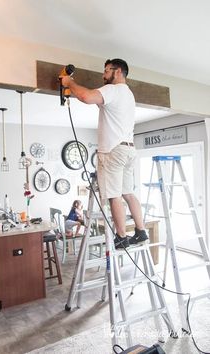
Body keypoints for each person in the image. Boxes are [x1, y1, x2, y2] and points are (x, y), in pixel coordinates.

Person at [61, 58, 148, 249]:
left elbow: (85, 97)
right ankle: (141, 231)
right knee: (128, 193)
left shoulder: (113, 90)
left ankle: (122, 236)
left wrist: (69, 83)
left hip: (113, 151)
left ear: (118, 72)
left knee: (113, 195)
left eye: (107, 71)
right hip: (128, 149)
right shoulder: (128, 94)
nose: (103, 75)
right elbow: (98, 102)